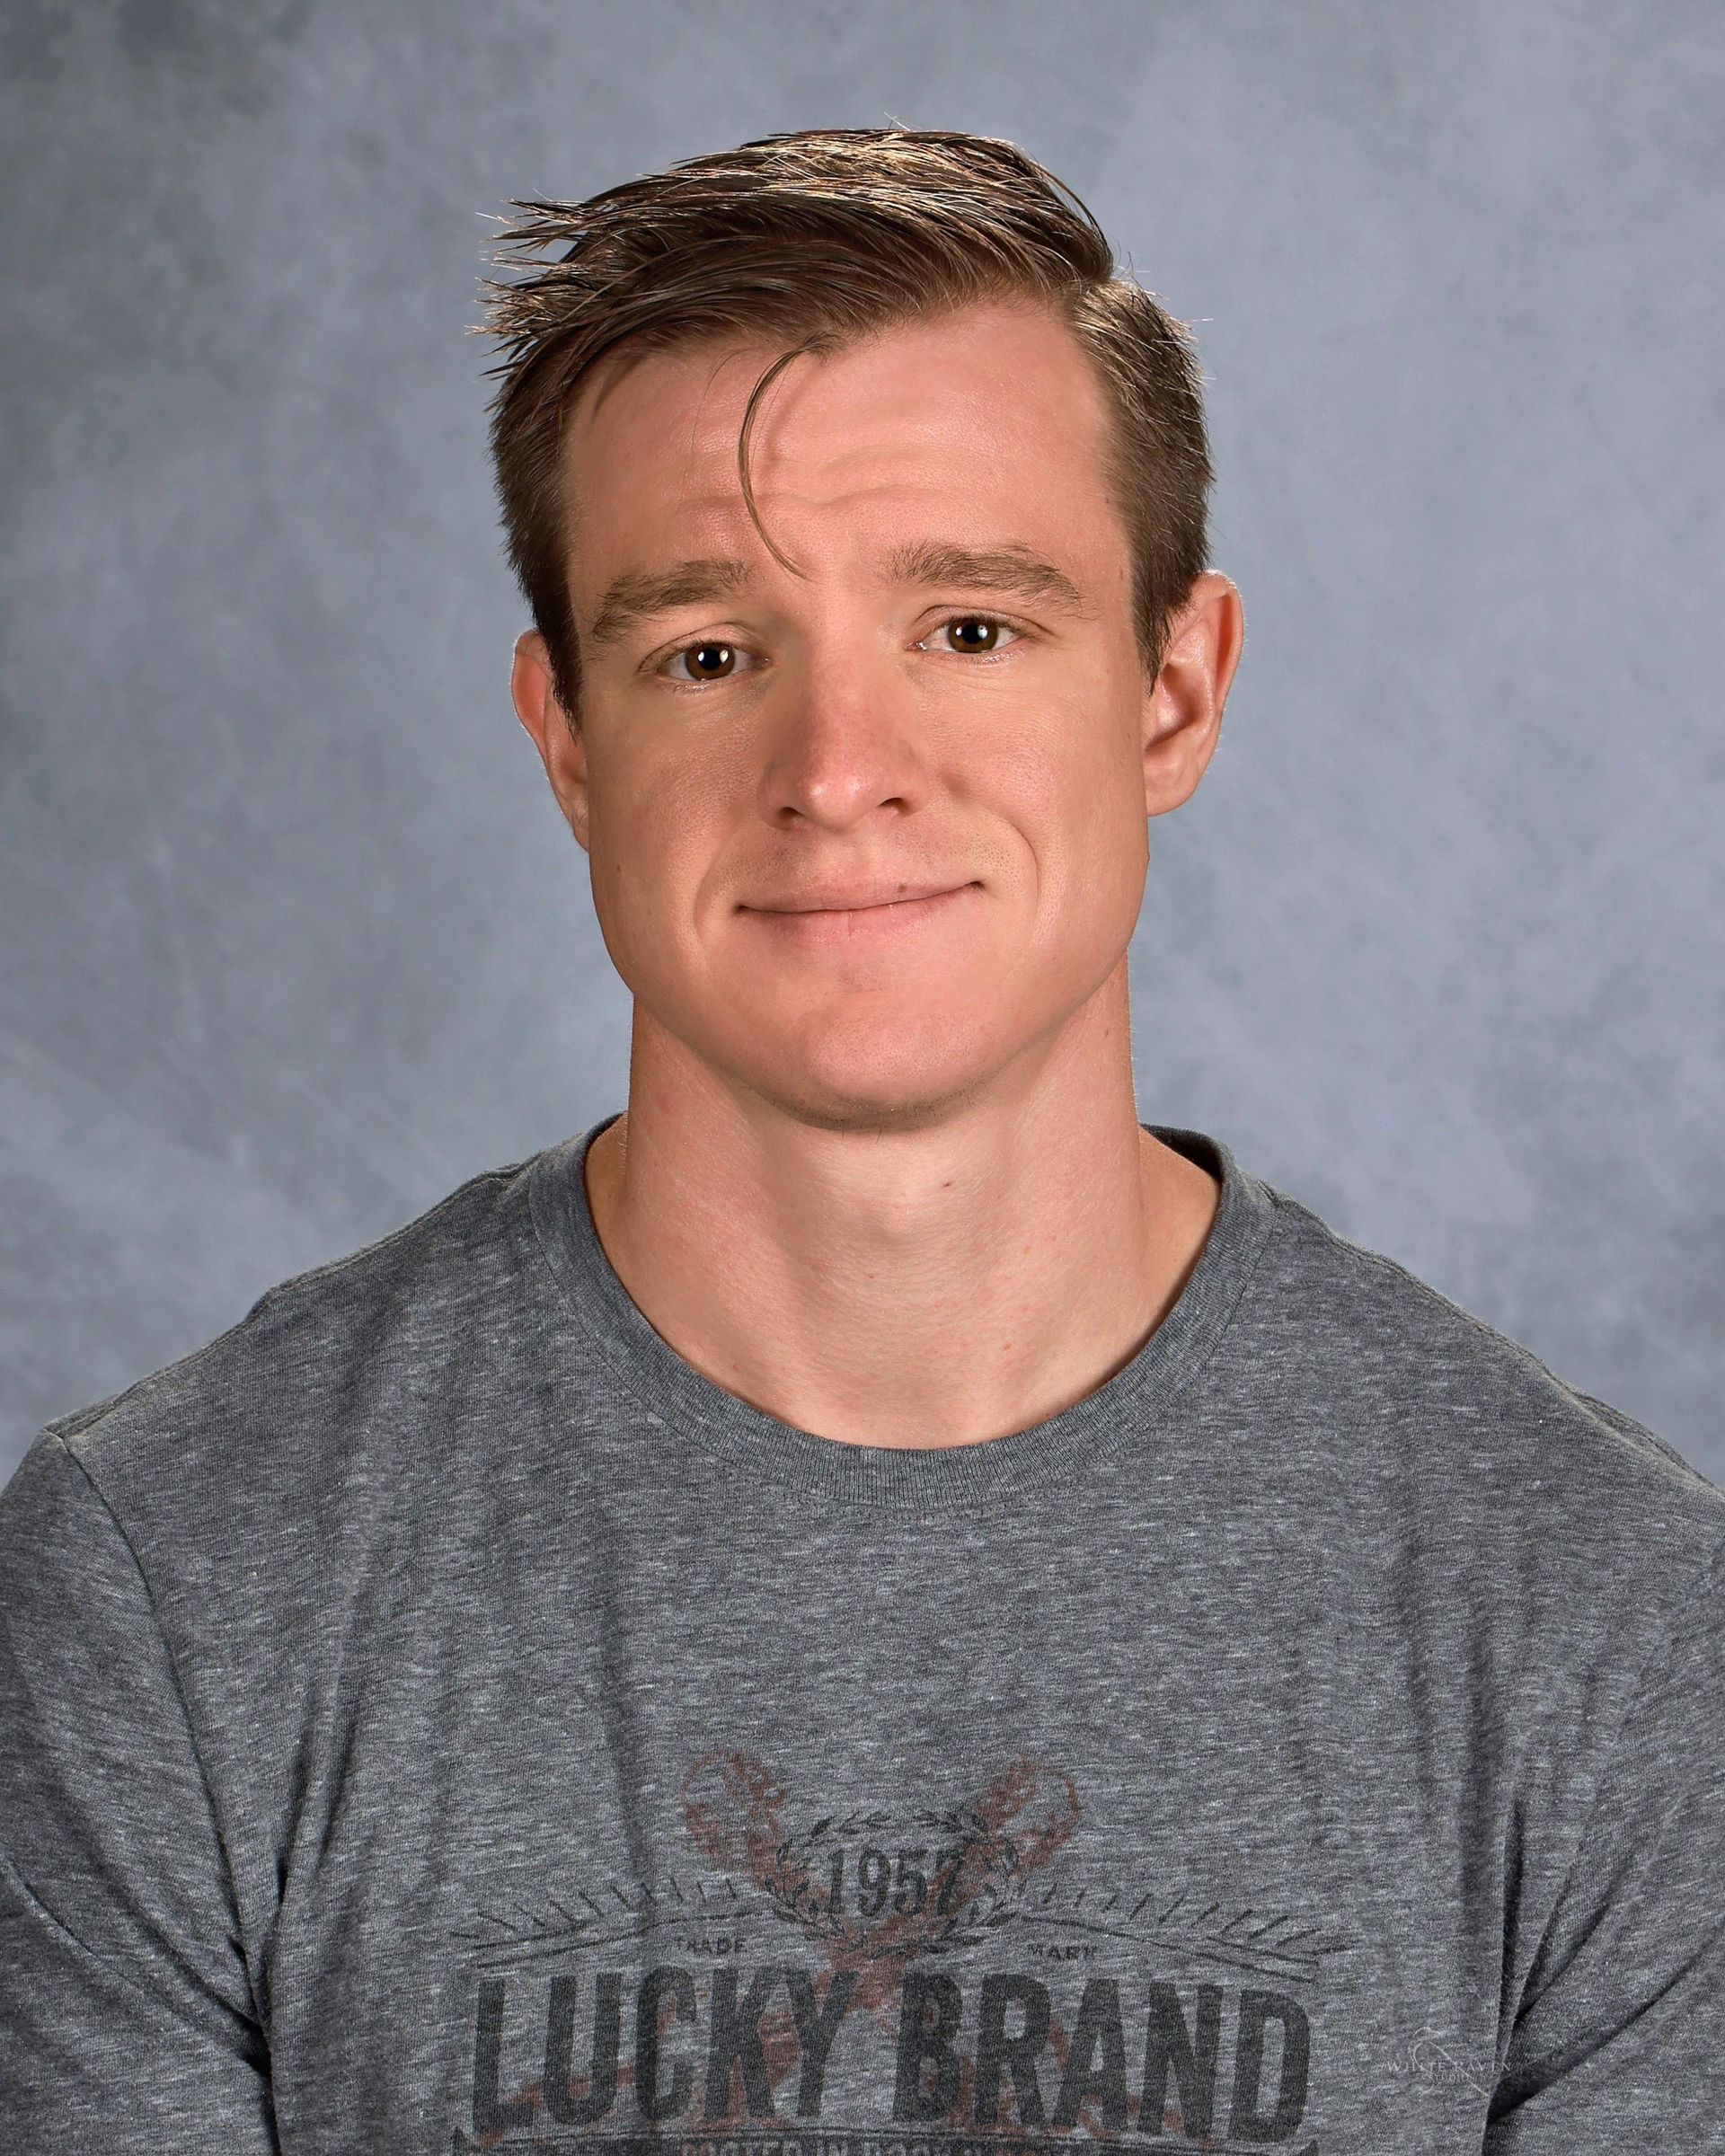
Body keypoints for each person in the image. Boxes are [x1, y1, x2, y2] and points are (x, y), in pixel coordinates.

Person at [1, 127, 1720, 2155]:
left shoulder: (1618, 1629)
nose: (838, 771)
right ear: (568, 740)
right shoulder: (170, 1585)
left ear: (1173, 693)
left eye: (971, 630)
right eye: (708, 654)